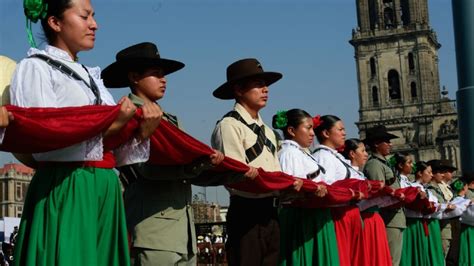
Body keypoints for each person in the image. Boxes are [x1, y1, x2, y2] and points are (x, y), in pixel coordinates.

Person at [10, 1, 161, 265]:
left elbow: (110, 149)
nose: (94, 24)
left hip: (104, 186)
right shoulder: (36, 67)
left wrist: (140, 132)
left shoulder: (92, 77)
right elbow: (43, 136)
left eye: (93, 16)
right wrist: (115, 124)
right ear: (55, 22)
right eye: (85, 16)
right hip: (67, 183)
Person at [102, 42, 235, 266]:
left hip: (182, 233)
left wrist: (212, 166)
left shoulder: (170, 119)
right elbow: (139, 169)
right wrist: (196, 164)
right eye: (156, 74)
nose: (164, 80)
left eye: (164, 75)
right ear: (134, 77)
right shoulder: (127, 114)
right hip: (152, 229)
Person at [211, 58, 297, 266]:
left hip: (271, 209)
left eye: (265, 84)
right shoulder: (229, 125)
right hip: (246, 210)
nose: (265, 89)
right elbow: (235, 175)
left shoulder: (268, 131)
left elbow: (275, 170)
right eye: (258, 84)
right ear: (239, 90)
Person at [273, 109, 338, 266]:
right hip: (302, 217)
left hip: (314, 215)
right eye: (307, 128)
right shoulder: (289, 153)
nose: (312, 133)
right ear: (291, 130)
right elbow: (291, 189)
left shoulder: (301, 153)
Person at [312, 115, 364, 266]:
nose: (344, 133)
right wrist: (350, 192)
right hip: (338, 214)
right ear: (326, 133)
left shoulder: (336, 157)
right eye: (340, 129)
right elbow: (328, 188)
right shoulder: (323, 157)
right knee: (342, 258)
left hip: (349, 212)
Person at [340, 138, 392, 266]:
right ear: (352, 154)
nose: (366, 154)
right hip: (362, 216)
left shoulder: (360, 174)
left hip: (371, 216)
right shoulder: (348, 173)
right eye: (362, 151)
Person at [363, 125, 405, 266]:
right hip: (388, 216)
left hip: (395, 216)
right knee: (390, 260)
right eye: (386, 141)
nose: (390, 144)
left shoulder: (384, 163)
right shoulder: (374, 164)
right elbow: (379, 191)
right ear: (376, 144)